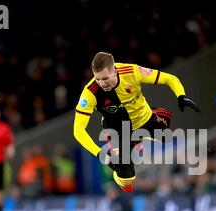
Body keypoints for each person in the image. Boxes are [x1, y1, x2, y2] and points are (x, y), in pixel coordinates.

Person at [73, 52, 199, 192]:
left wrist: (181, 96)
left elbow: (170, 79)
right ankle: (130, 149)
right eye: (97, 79)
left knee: (167, 136)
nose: (102, 83)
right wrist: (100, 154)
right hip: (119, 131)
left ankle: (140, 138)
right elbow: (78, 131)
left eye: (105, 78)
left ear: (115, 71)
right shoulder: (90, 93)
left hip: (145, 118)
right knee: (127, 181)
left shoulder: (132, 71)